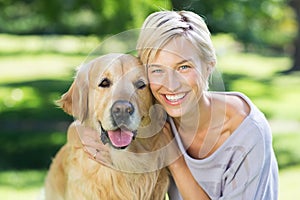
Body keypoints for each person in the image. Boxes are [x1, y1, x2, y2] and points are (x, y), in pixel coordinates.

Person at [136, 10, 279, 199]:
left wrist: (175, 159)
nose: (170, 85)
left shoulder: (248, 131)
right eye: (157, 70)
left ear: (209, 65)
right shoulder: (154, 118)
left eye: (184, 67)